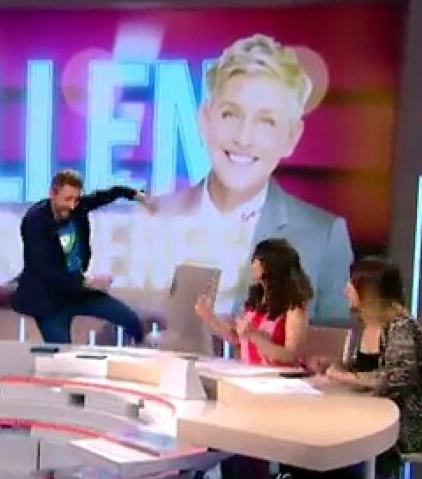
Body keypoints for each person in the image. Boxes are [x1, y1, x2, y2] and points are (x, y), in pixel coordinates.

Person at [150, 34, 353, 323]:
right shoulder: (152, 219)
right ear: (205, 118)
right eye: (230, 114)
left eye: (266, 121)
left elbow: (337, 343)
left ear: (291, 137)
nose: (244, 138)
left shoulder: (322, 237)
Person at [295, 256, 422, 479]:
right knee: (300, 445)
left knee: (323, 448)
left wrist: (346, 377)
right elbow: (363, 369)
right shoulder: (365, 324)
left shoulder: (401, 327)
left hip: (397, 427)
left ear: (370, 291)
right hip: (362, 413)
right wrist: (333, 365)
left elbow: (396, 379)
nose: (345, 289)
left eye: (352, 284)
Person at [192, 239, 314, 479]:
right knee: (214, 410)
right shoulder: (256, 299)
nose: (252, 265)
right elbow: (237, 339)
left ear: (271, 265)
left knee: (237, 422)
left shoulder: (294, 306)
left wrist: (256, 336)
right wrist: (209, 318)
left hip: (279, 386)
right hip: (250, 380)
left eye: (256, 260)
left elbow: (290, 354)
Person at [13, 169, 151, 345]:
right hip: (49, 300)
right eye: (67, 199)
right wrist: (89, 282)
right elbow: (47, 270)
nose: (72, 206)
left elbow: (109, 194)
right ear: (52, 194)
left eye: (76, 199)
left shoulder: (78, 207)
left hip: (77, 291)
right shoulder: (35, 221)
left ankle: (134, 350)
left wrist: (138, 196)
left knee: (131, 321)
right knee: (63, 355)